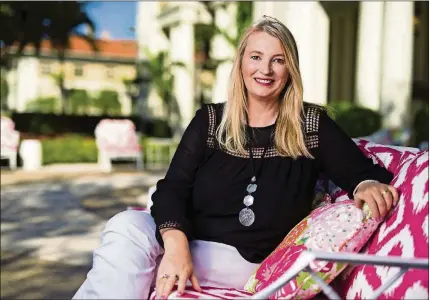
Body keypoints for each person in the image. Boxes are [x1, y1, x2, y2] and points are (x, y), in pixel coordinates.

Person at [73, 15, 398, 300]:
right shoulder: (210, 121)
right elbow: (172, 189)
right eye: (256, 57)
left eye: (278, 60)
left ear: (290, 69)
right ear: (241, 62)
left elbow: (363, 173)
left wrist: (365, 183)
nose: (265, 70)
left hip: (242, 260)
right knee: (125, 226)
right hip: (188, 240)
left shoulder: (310, 125)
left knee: (123, 263)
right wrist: (176, 246)